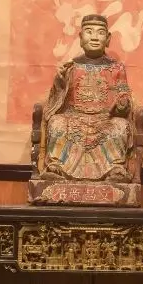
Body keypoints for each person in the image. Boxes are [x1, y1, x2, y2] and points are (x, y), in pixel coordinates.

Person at [38, 14, 135, 183]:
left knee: (121, 125)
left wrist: (122, 103)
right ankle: (57, 166)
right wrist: (60, 80)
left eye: (100, 32)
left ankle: (114, 168)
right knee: (56, 122)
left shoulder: (116, 68)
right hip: (74, 118)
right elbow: (57, 100)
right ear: (80, 37)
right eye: (89, 32)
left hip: (104, 119)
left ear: (108, 39)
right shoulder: (70, 66)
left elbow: (123, 93)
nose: (95, 37)